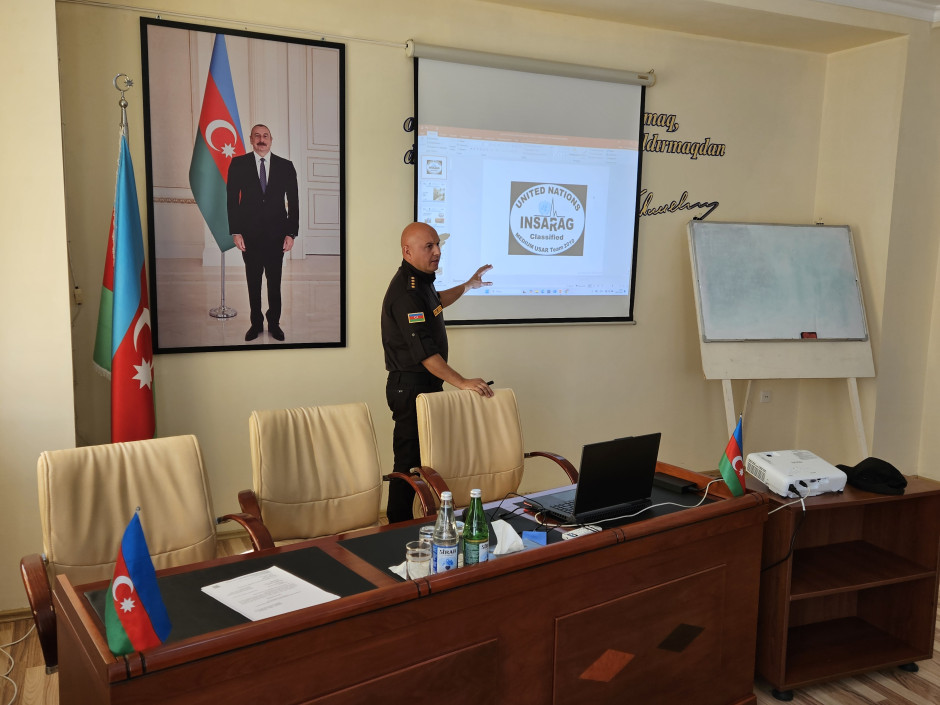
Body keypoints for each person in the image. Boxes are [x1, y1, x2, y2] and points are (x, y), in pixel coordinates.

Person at [381, 222, 494, 523]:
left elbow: (437, 302)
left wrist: (468, 285)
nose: (437, 251)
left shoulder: (421, 282)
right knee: (408, 464)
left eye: (438, 244)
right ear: (407, 251)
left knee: (424, 460)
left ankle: (419, 521)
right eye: (429, 246)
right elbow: (425, 354)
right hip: (410, 388)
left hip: (424, 385)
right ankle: (397, 525)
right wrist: (462, 382)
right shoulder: (407, 293)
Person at [226, 124, 299, 342]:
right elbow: (232, 201)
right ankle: (256, 323)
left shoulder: (286, 166)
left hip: (277, 236)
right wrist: (236, 232)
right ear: (251, 139)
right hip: (250, 236)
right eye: (257, 135)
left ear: (271, 139)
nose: (261, 139)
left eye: (265, 136)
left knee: (274, 283)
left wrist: (291, 233)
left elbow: (294, 202)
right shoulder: (238, 164)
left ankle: (274, 323)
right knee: (253, 282)